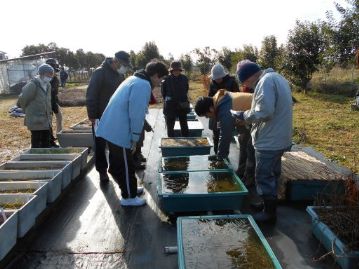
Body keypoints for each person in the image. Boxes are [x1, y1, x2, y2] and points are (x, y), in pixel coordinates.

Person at [96, 60, 168, 207]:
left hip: (111, 126)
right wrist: (134, 138)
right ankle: (129, 196)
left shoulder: (134, 78)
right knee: (126, 165)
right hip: (119, 130)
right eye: (161, 78)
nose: (161, 82)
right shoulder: (143, 85)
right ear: (154, 75)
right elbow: (136, 114)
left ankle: (128, 187)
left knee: (117, 163)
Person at [232, 61, 293, 223]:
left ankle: (269, 213)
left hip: (270, 140)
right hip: (280, 136)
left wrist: (244, 116)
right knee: (273, 172)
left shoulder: (265, 82)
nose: (247, 86)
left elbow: (264, 111)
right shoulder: (277, 77)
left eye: (245, 82)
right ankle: (267, 203)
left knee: (264, 175)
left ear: (250, 76)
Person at [86, 51, 131, 183]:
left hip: (115, 116)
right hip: (100, 115)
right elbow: (91, 94)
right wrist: (92, 115)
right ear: (115, 61)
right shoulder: (100, 73)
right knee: (99, 145)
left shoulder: (119, 75)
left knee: (115, 144)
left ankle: (114, 169)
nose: (124, 67)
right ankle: (102, 171)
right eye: (123, 64)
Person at [194, 90, 252, 160]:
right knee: (243, 141)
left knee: (249, 147)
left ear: (211, 109)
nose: (207, 117)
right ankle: (242, 169)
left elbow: (225, 134)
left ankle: (246, 169)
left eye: (206, 115)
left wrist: (220, 157)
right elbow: (222, 128)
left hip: (261, 114)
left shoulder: (225, 110)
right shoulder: (219, 101)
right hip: (247, 116)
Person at [18, 64, 54, 148]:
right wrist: (26, 111)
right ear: (42, 73)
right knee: (36, 141)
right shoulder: (33, 84)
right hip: (35, 118)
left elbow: (48, 101)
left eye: (51, 74)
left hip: (46, 118)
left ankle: (46, 159)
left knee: (46, 141)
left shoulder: (48, 85)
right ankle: (36, 158)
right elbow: (23, 98)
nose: (51, 76)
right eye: (49, 74)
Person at [208, 64, 239, 154]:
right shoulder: (212, 83)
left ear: (223, 75)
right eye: (215, 78)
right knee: (216, 133)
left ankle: (223, 155)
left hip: (228, 112)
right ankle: (216, 152)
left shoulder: (231, 82)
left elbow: (237, 96)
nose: (217, 80)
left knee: (225, 134)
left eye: (219, 78)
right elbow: (210, 96)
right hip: (216, 111)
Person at [161, 61, 189, 137]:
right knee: (170, 126)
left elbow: (186, 90)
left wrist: (182, 99)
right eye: (174, 70)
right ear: (171, 70)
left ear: (180, 70)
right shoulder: (166, 79)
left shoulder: (184, 78)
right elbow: (163, 93)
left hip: (182, 104)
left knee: (184, 124)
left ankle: (186, 140)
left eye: (178, 70)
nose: (176, 71)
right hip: (170, 105)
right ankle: (170, 142)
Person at [45, 58, 63, 147]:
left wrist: (56, 104)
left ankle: (59, 137)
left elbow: (54, 94)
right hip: (47, 104)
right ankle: (50, 140)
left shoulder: (54, 79)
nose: (55, 72)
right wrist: (53, 106)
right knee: (48, 122)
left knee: (59, 118)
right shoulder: (45, 80)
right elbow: (49, 95)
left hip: (53, 102)